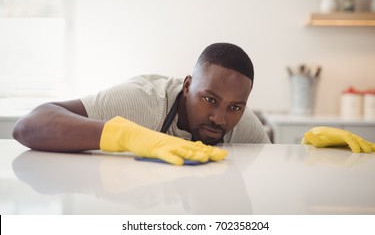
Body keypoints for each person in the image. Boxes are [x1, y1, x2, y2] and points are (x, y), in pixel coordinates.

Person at [13, 43, 270, 165]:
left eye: (235, 107)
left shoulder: (243, 123)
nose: (219, 118)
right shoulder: (143, 101)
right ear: (188, 86)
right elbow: (29, 125)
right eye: (210, 99)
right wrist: (127, 135)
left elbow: (276, 171)